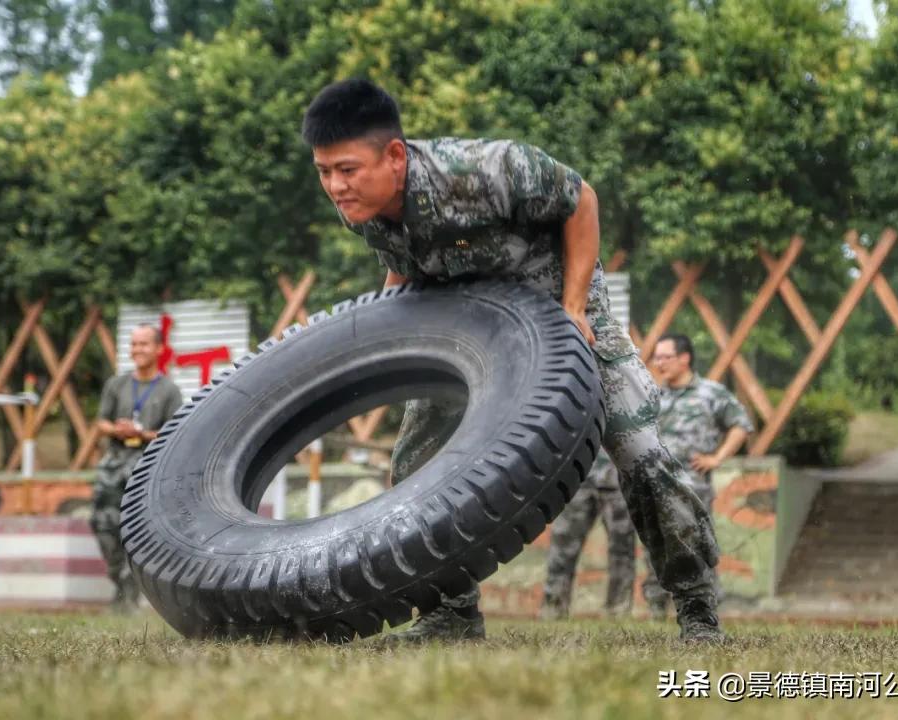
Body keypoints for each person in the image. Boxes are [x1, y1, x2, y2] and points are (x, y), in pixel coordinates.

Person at [302, 79, 723, 643]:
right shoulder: (363, 207)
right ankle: (451, 613)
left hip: (562, 311)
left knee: (641, 455)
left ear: (394, 155)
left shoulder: (486, 169)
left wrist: (575, 306)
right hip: (470, 325)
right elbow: (403, 265)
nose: (335, 186)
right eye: (324, 171)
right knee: (415, 466)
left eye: (347, 169)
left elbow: (582, 201)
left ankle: (697, 608)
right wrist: (387, 343)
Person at [642, 333, 754, 617]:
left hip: (693, 487)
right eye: (656, 358)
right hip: (657, 485)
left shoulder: (711, 393)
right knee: (656, 546)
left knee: (696, 547)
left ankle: (706, 611)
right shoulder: (653, 396)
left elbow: (741, 425)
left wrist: (717, 458)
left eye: (665, 357)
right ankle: (656, 610)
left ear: (685, 358)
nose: (659, 363)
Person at [91, 324, 183, 612]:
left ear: (158, 349)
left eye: (143, 344)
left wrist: (141, 433)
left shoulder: (169, 390)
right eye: (133, 344)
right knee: (103, 524)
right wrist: (117, 429)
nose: (137, 350)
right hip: (114, 464)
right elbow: (101, 422)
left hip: (147, 467)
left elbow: (174, 433)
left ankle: (130, 593)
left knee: (138, 530)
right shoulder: (116, 385)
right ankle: (118, 581)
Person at [541, 449, 636, 620]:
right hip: (576, 479)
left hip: (618, 479)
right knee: (562, 549)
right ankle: (553, 610)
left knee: (622, 551)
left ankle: (618, 613)